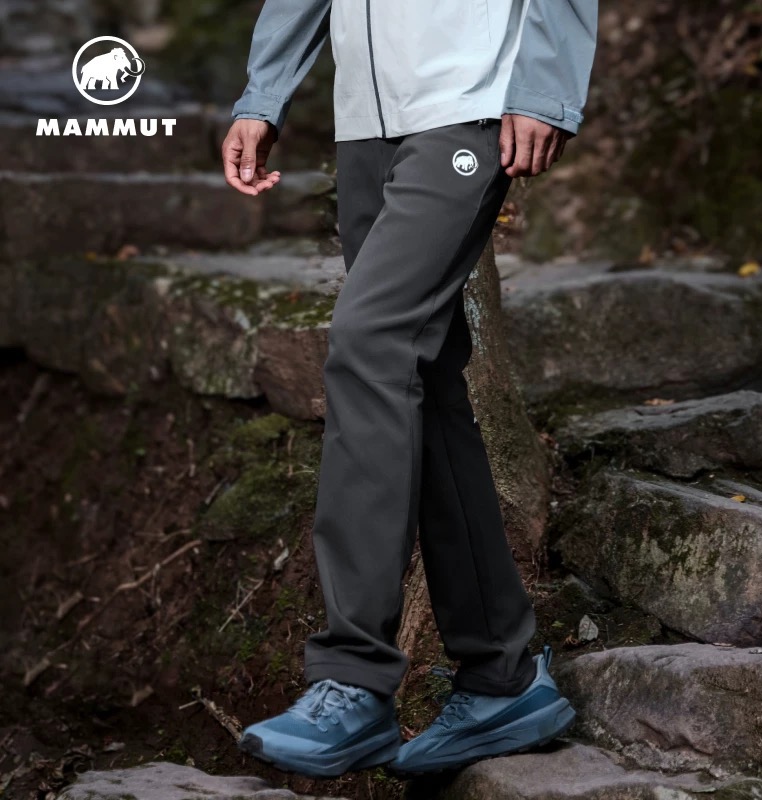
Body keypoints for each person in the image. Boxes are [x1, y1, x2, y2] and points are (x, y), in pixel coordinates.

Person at [221, 0, 598, 779]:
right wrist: (265, 93)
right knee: (420, 374)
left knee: (371, 344)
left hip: (470, 97)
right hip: (366, 116)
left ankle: (354, 678)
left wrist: (547, 85)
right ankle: (501, 676)